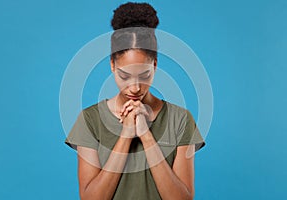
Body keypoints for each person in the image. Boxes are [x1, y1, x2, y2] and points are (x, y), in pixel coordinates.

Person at [65, 2, 205, 200]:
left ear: (155, 65)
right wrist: (126, 135)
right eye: (125, 76)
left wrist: (146, 136)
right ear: (112, 65)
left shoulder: (180, 119)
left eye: (144, 75)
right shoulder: (90, 120)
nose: (135, 87)